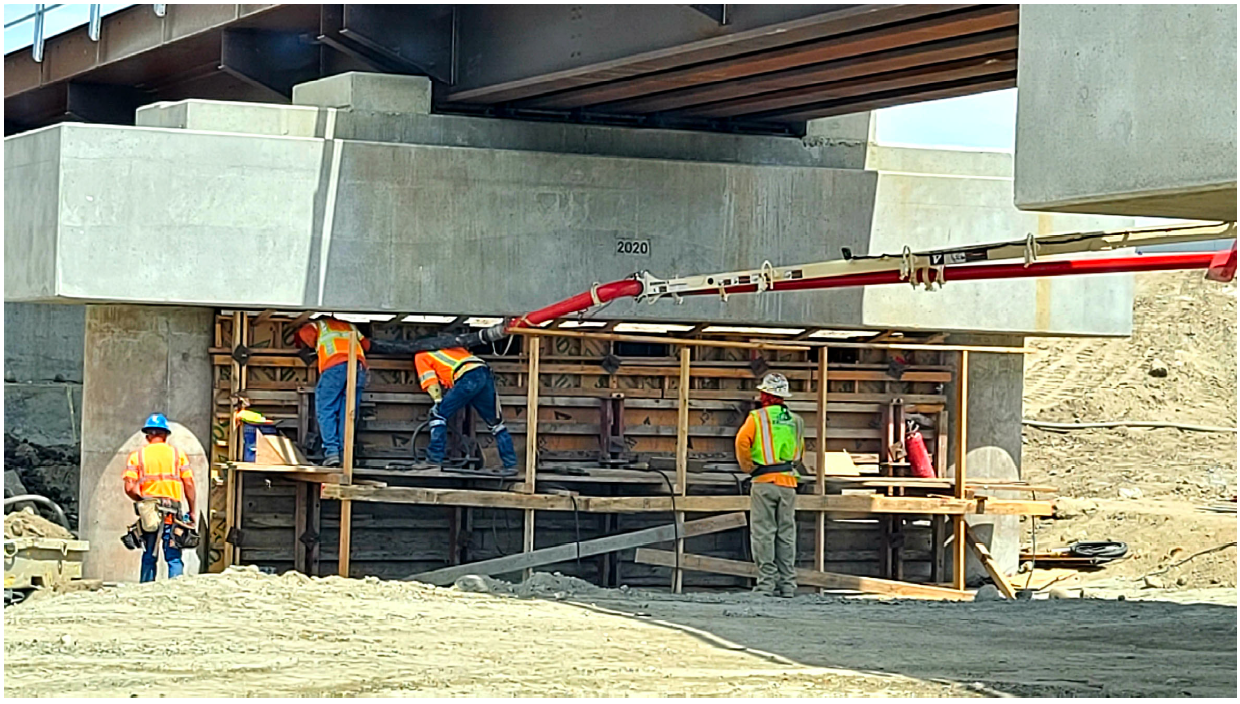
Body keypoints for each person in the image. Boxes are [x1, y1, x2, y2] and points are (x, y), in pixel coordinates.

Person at [734, 373, 805, 598]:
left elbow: (741, 442)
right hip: (788, 482)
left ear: (764, 394)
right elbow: (800, 452)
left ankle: (766, 584)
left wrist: (748, 467)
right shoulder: (796, 420)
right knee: (786, 534)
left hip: (764, 481)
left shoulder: (757, 417)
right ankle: (788, 585)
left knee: (764, 533)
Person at [414, 346, 518, 475]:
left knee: (438, 416)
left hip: (467, 377)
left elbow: (431, 383)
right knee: (496, 424)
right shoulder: (454, 348)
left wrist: (438, 401)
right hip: (485, 373)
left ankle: (433, 461)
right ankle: (510, 465)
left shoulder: (421, 355)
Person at [123, 414, 196, 583]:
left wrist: (142, 500)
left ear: (148, 435)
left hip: (150, 512)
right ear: (165, 435)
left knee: (149, 554)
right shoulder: (178, 455)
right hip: (172, 511)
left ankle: (145, 591)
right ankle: (175, 591)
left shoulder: (137, 456)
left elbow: (129, 488)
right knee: (173, 556)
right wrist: (192, 510)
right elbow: (189, 484)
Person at [296, 317, 370, 467]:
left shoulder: (319, 324)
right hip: (358, 368)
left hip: (335, 365)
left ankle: (332, 453)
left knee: (326, 408)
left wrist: (313, 345)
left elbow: (304, 333)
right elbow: (366, 345)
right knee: (348, 412)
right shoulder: (350, 325)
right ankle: (345, 455)